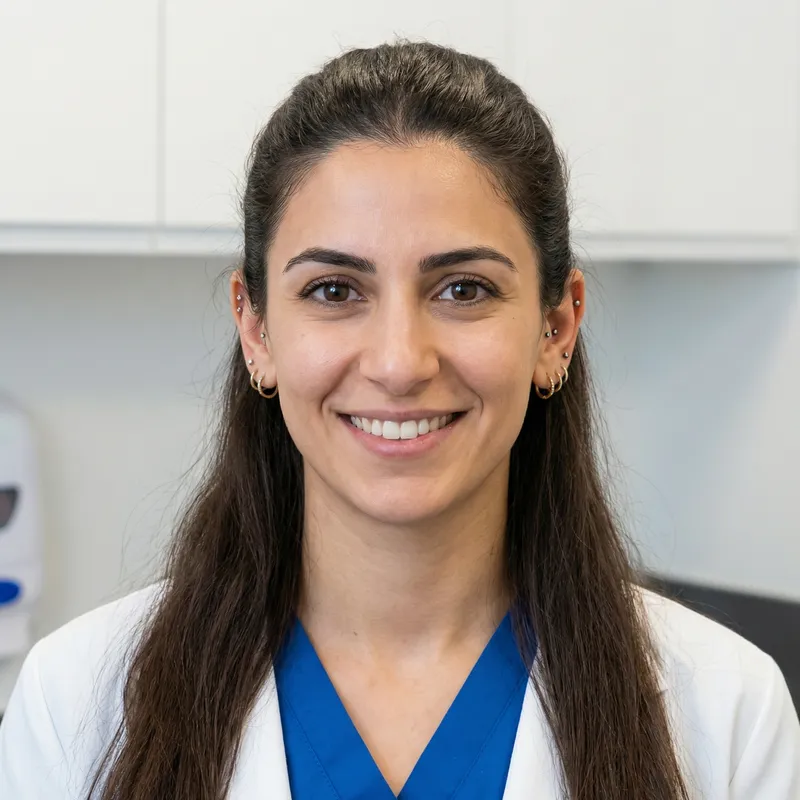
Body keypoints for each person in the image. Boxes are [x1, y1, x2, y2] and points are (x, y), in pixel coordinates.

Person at [0, 40, 798, 800]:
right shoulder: (78, 701)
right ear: (255, 328)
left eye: (463, 290)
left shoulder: (727, 712)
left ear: (556, 327)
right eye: (335, 291)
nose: (398, 362)